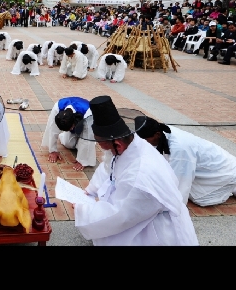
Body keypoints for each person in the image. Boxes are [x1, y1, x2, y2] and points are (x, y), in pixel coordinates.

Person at [71, 95, 198, 246]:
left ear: (117, 144)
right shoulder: (132, 143)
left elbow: (120, 215)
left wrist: (82, 209)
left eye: (102, 145)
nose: (104, 150)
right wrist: (90, 191)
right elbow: (108, 167)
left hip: (158, 229)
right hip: (141, 210)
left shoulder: (139, 176)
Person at [136, 116, 236, 206]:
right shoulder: (161, 131)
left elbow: (181, 185)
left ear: (157, 134)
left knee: (200, 199)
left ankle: (232, 187)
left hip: (227, 170)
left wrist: (175, 207)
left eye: (145, 140)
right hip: (207, 167)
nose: (143, 143)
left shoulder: (180, 150)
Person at [41, 96, 94, 169]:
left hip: (88, 126)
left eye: (70, 128)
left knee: (86, 141)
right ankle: (75, 140)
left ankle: (85, 150)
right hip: (74, 125)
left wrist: (82, 160)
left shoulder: (88, 112)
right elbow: (52, 129)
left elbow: (87, 136)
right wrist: (53, 150)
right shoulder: (58, 107)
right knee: (68, 144)